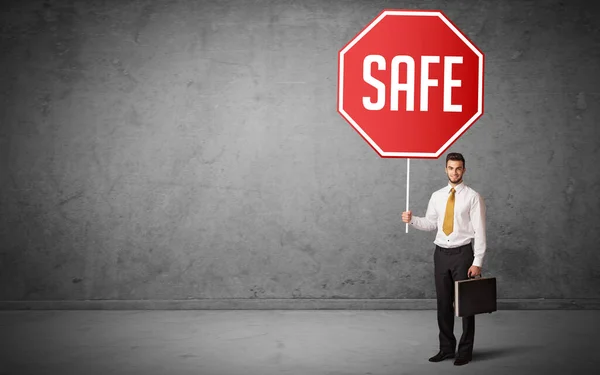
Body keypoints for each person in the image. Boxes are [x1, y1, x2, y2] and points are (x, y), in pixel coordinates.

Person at [401, 152, 486, 366]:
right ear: (445, 169)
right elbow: (431, 224)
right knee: (443, 304)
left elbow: (480, 231)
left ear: (464, 170)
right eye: (451, 168)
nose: (454, 172)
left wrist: (477, 261)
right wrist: (412, 221)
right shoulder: (437, 196)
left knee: (466, 306)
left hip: (463, 255)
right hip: (441, 254)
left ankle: (464, 352)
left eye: (458, 168)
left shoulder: (472, 196)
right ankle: (446, 349)